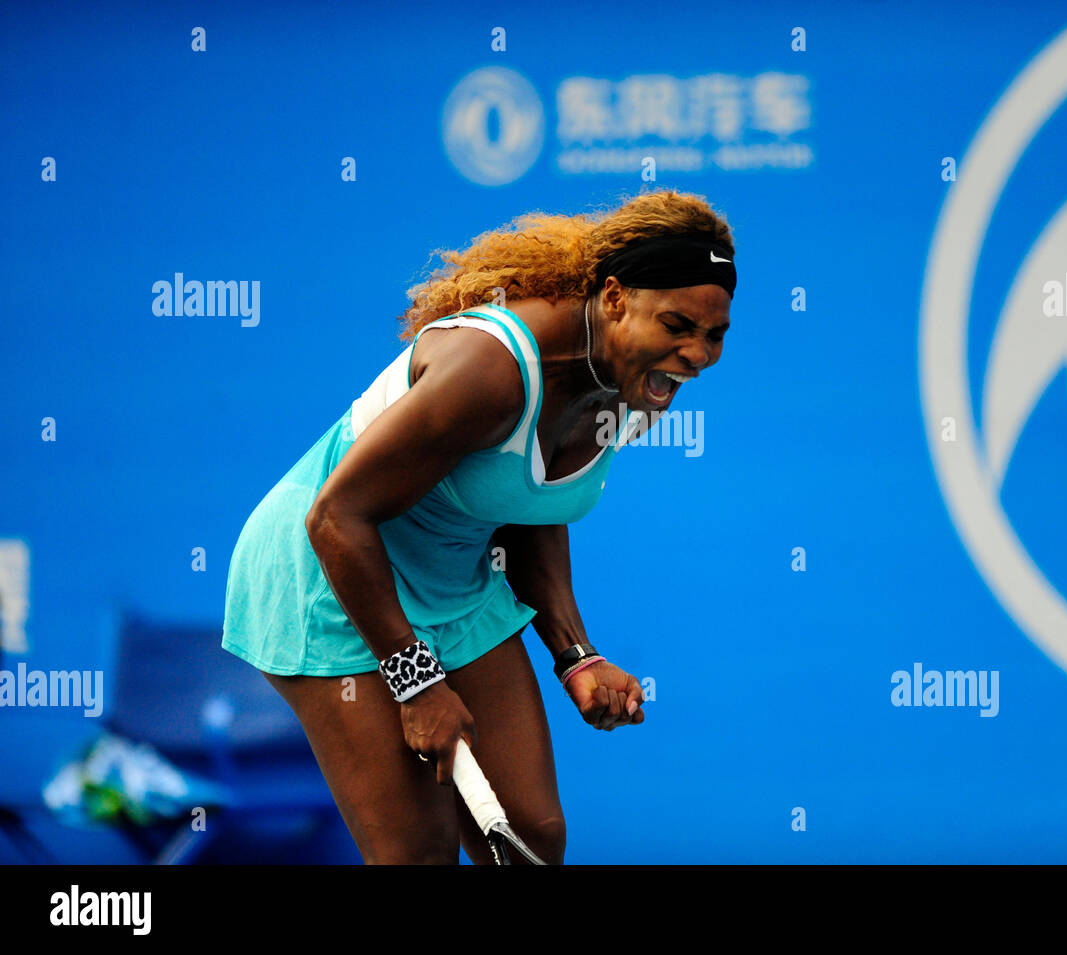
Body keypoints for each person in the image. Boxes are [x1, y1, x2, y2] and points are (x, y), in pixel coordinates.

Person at [220, 188, 737, 864]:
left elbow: (531, 507)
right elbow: (336, 516)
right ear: (614, 297)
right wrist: (415, 680)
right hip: (331, 575)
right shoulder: (492, 370)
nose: (697, 353)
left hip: (453, 585)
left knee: (532, 835)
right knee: (419, 852)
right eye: (677, 325)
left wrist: (576, 654)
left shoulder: (631, 382)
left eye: (715, 334)